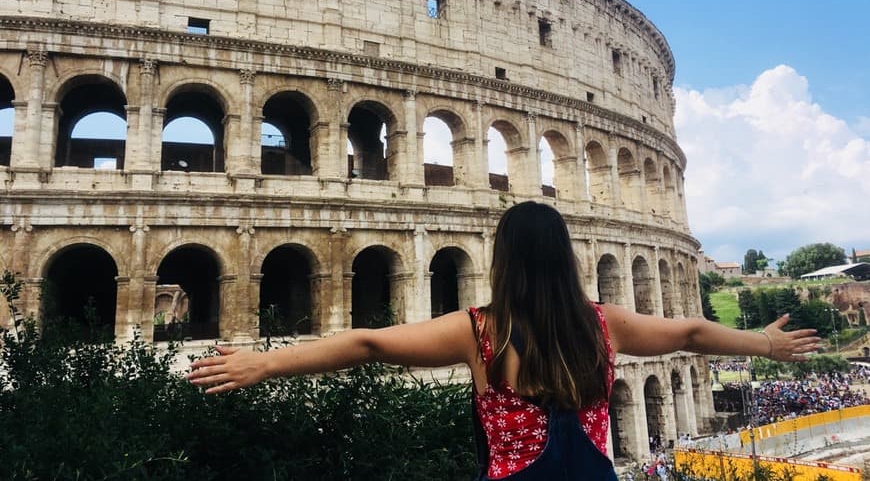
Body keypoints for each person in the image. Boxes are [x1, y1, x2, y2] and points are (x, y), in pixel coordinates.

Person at [187, 202, 821, 480]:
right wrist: (762, 344)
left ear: (505, 259)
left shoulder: (480, 331)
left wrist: (262, 364)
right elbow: (688, 330)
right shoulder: (602, 324)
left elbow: (368, 344)